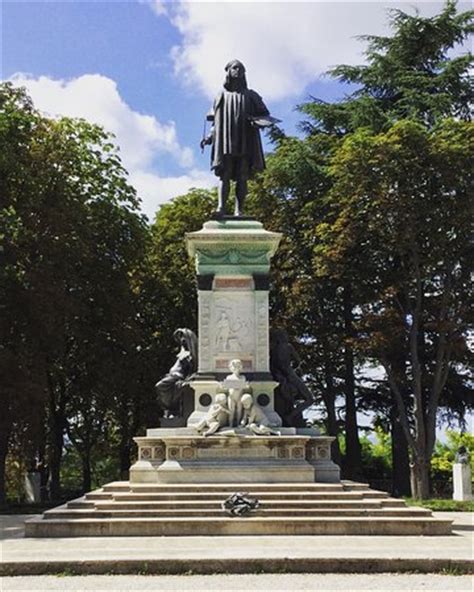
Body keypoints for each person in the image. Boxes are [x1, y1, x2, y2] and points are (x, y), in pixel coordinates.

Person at [200, 59, 279, 216]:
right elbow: (215, 122)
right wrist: (209, 138)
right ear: (228, 71)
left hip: (245, 140)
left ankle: (239, 210)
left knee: (242, 176)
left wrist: (257, 121)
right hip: (225, 141)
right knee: (225, 174)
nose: (238, 71)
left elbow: (265, 115)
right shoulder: (220, 95)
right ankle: (221, 208)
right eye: (235, 68)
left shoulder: (251, 96)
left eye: (241, 69)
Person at [155, 328, 197, 417]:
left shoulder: (189, 355)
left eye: (184, 337)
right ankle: (170, 409)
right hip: (171, 375)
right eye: (181, 338)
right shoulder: (182, 353)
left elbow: (191, 369)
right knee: (161, 388)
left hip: (177, 376)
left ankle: (170, 407)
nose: (182, 340)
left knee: (160, 386)